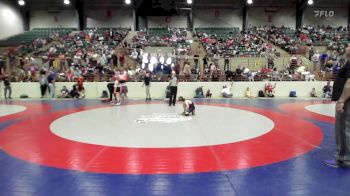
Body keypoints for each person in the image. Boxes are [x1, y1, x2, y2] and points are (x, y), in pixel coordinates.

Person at [325, 44, 350, 168]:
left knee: (343, 129)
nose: (345, 48)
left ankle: (344, 159)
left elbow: (349, 84)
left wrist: (341, 101)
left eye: (349, 46)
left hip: (347, 102)